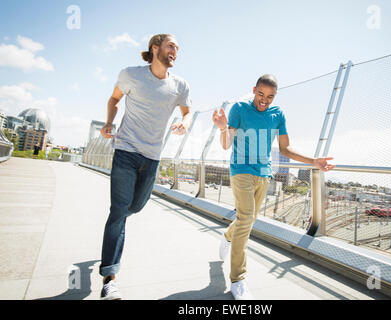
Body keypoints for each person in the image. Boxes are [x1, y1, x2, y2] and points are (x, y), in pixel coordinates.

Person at [212, 74, 335, 300]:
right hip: (241, 170)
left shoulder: (277, 114)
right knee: (247, 219)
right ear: (254, 90)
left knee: (246, 220)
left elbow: (285, 150)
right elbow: (226, 144)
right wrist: (222, 129)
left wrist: (313, 162)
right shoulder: (239, 108)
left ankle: (228, 236)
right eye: (260, 95)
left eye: (269, 97)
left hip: (264, 174)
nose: (264, 100)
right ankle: (238, 280)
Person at [98, 34, 193, 300]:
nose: (175, 50)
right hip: (126, 151)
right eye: (171, 46)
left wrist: (184, 123)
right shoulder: (131, 75)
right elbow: (114, 99)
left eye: (178, 48)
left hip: (152, 158)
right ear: (155, 48)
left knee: (135, 207)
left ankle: (114, 230)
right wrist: (108, 122)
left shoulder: (180, 85)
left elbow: (186, 112)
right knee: (118, 211)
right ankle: (110, 278)